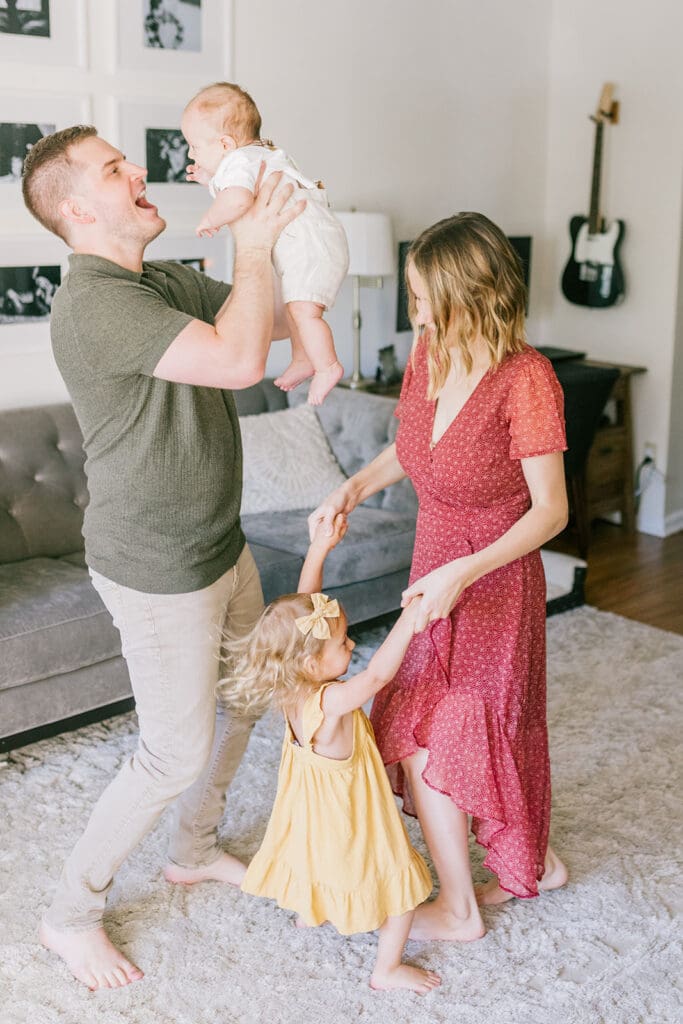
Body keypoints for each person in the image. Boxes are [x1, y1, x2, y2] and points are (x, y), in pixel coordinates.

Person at [21, 124, 304, 990]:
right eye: (114, 169)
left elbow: (278, 320)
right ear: (77, 208)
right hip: (155, 569)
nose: (137, 171)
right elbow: (239, 357)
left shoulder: (167, 277)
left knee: (255, 694)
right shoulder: (96, 304)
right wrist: (253, 244)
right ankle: (68, 916)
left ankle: (195, 846)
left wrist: (298, 241)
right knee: (170, 753)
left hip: (220, 543)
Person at [309, 212, 570, 942]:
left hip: (493, 575)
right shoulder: (427, 354)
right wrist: (351, 489)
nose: (413, 310)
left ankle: (462, 908)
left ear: (468, 292)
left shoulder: (526, 381)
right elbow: (410, 448)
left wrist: (467, 570)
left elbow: (550, 511)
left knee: (462, 727)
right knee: (415, 720)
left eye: (422, 296)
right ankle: (524, 865)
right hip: (434, 567)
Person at [218, 514, 440, 994]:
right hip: (349, 818)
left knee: (314, 860)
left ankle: (309, 912)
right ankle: (386, 969)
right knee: (402, 894)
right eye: (343, 642)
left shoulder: (291, 687)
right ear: (312, 662)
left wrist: (318, 551)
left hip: (312, 816)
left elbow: (306, 609)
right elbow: (377, 676)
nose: (352, 642)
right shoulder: (332, 701)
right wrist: (410, 619)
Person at [181, 82, 349, 405]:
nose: (191, 154)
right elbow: (235, 185)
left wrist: (210, 218)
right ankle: (303, 358)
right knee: (295, 305)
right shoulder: (253, 157)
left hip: (310, 245)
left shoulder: (240, 163)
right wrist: (208, 178)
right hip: (312, 242)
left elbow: (238, 199)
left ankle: (328, 366)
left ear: (225, 144)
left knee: (304, 311)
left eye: (194, 146)